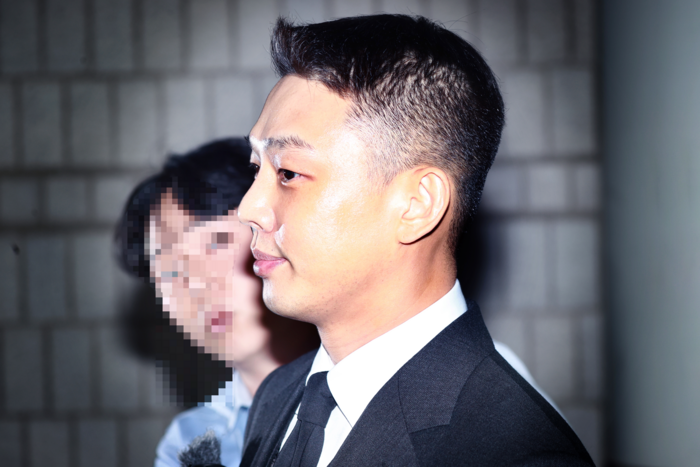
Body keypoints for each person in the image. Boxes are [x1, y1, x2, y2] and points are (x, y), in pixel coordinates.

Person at [238, 15, 594, 467]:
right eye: (257, 169)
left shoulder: (516, 454)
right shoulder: (278, 395)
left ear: (417, 205)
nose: (248, 208)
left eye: (288, 172)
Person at [115, 138, 319, 467]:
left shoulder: (377, 387)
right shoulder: (190, 444)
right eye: (168, 270)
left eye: (216, 242)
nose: (196, 284)